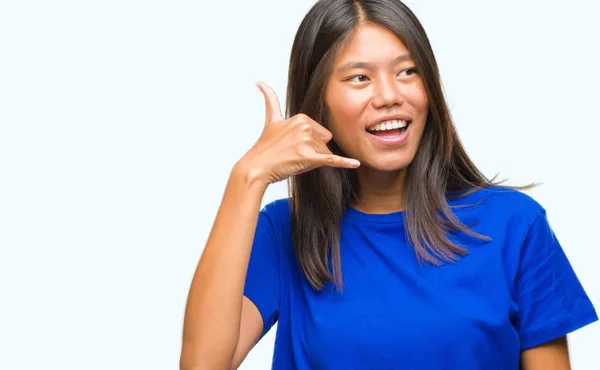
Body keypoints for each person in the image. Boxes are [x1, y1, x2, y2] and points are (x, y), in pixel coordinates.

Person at [180, 0, 598, 369]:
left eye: (407, 71)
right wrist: (248, 177)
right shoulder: (284, 232)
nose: (389, 96)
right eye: (359, 78)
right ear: (317, 101)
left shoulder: (513, 224)